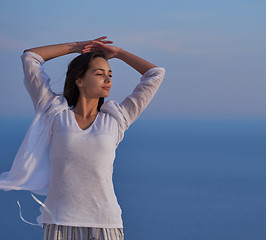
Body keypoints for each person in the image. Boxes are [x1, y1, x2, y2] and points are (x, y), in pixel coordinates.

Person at [0, 36, 165, 240]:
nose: (108, 80)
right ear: (79, 80)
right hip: (60, 224)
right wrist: (77, 47)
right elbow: (31, 57)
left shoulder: (117, 119)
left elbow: (155, 74)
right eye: (99, 74)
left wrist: (119, 53)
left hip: (105, 224)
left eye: (110, 75)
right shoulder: (54, 113)